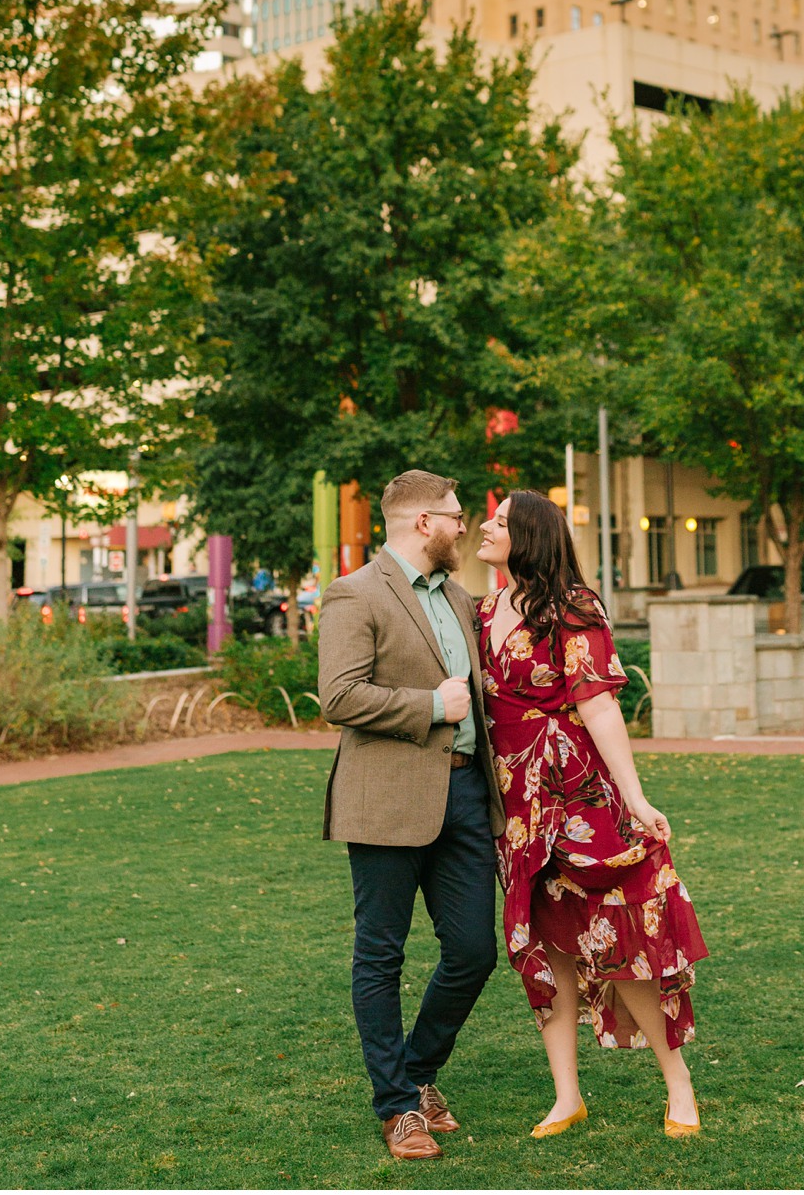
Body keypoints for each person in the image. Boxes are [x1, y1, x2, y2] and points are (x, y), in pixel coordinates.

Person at [476, 489, 708, 1141]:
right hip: (517, 810)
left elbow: (600, 707)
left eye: (498, 521)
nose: (484, 528)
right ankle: (566, 1096)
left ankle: (678, 1082)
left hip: (579, 798)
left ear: (528, 534)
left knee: (614, 941)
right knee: (547, 947)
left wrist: (636, 797)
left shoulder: (572, 606)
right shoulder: (486, 608)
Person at [318, 469, 504, 1162]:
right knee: (382, 953)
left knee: (473, 951)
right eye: (456, 516)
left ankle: (419, 1071)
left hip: (463, 796)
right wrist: (429, 706)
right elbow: (338, 694)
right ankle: (397, 1105)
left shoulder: (459, 596)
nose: (465, 526)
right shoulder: (354, 592)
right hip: (385, 799)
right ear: (423, 522)